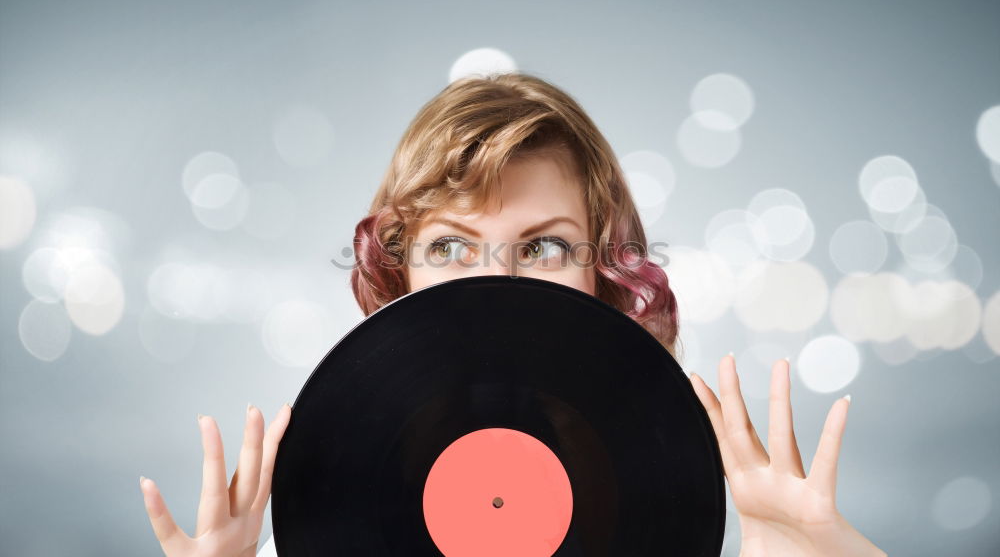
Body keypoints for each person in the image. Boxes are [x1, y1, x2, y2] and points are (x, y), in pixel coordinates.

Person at [139, 73, 887, 556]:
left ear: (606, 272)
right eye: (453, 249)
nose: (497, 282)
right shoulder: (315, 533)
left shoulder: (681, 521)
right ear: (399, 274)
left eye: (543, 249)